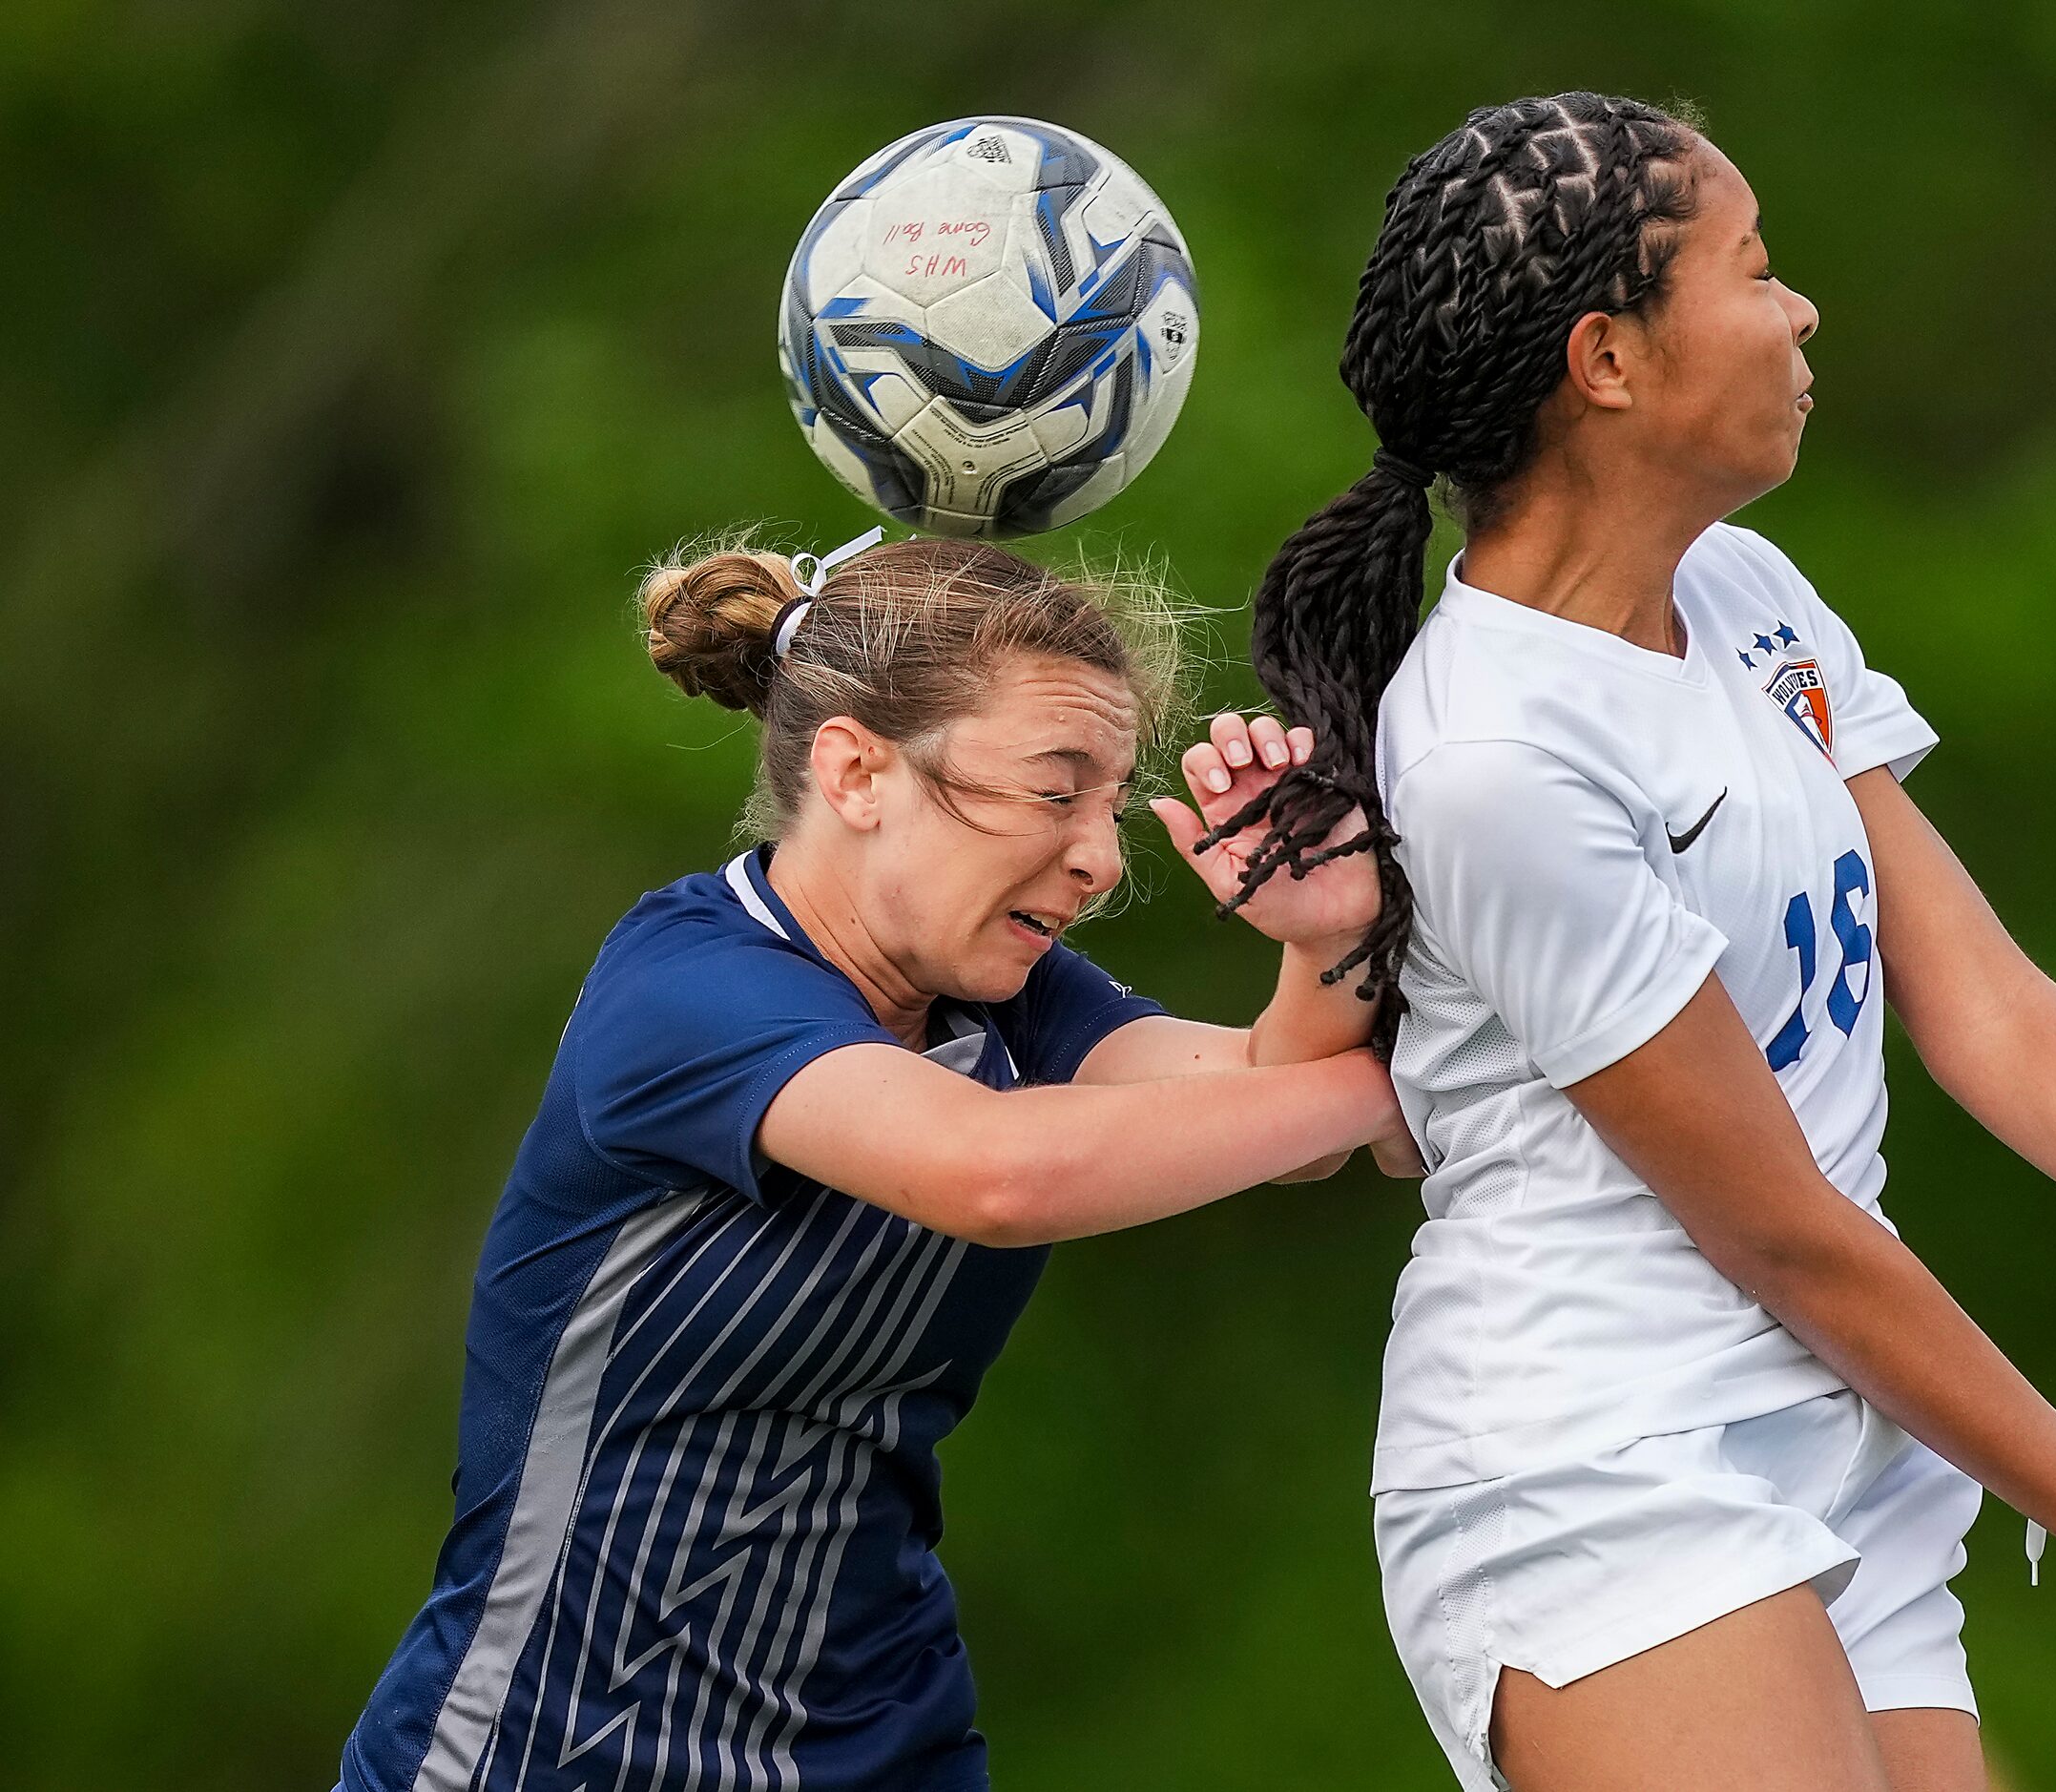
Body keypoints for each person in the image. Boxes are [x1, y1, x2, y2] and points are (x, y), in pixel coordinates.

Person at [1205, 93, 2056, 1792]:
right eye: (1754, 272)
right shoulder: (1496, 758)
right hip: (1600, 1466)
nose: (1800, 310)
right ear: (1607, 359)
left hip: (1833, 1445)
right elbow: (1781, 1231)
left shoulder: (1749, 592)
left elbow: (1977, 995)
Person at [335, 531, 1407, 1792]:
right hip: (551, 1753)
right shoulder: (689, 985)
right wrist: (1399, 1083)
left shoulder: (1010, 1000)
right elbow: (992, 1176)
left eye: (1109, 802)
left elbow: (1262, 1114)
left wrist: (1326, 933)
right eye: (1053, 790)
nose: (1101, 858)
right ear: (853, 771)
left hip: (882, 1743)